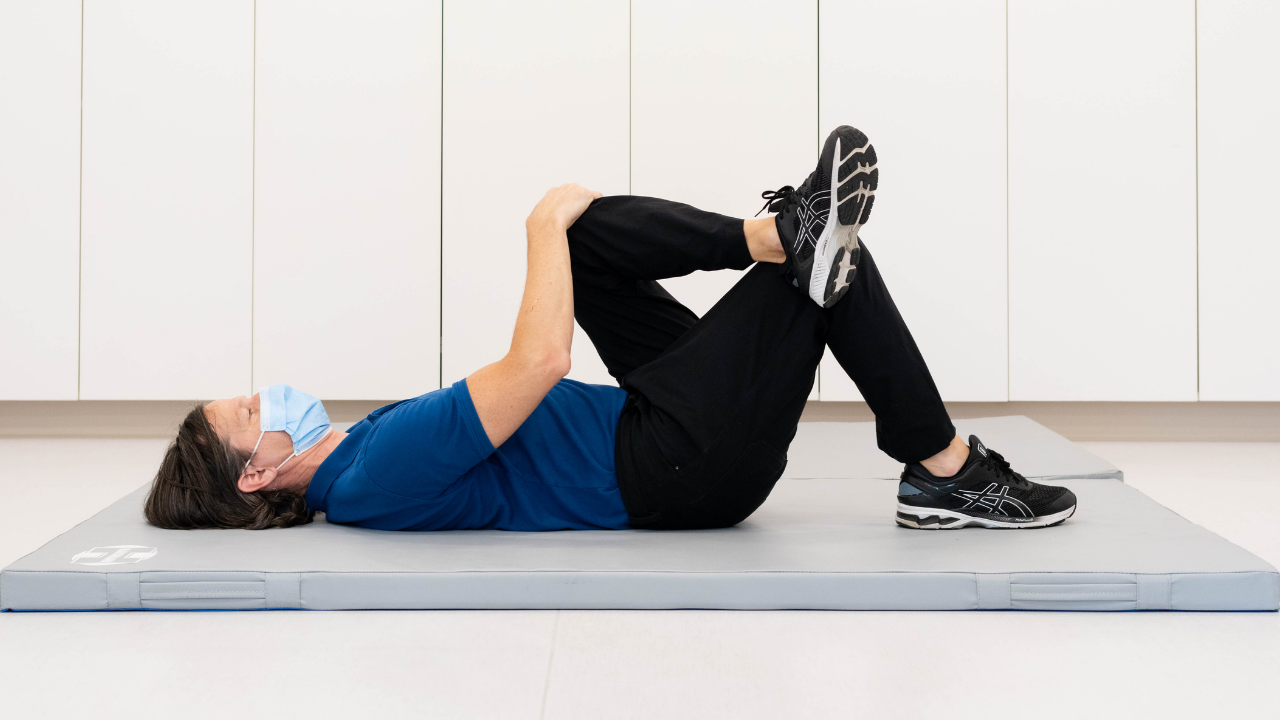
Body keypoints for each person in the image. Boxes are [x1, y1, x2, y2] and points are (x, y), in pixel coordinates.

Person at [146, 126, 1077, 533]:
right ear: (260, 472)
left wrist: (559, 235)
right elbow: (542, 360)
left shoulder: (358, 448)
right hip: (679, 466)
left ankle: (772, 231)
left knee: (591, 241)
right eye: (249, 408)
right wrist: (532, 228)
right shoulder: (372, 476)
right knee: (829, 272)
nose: (268, 392)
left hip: (649, 421)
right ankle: (945, 470)